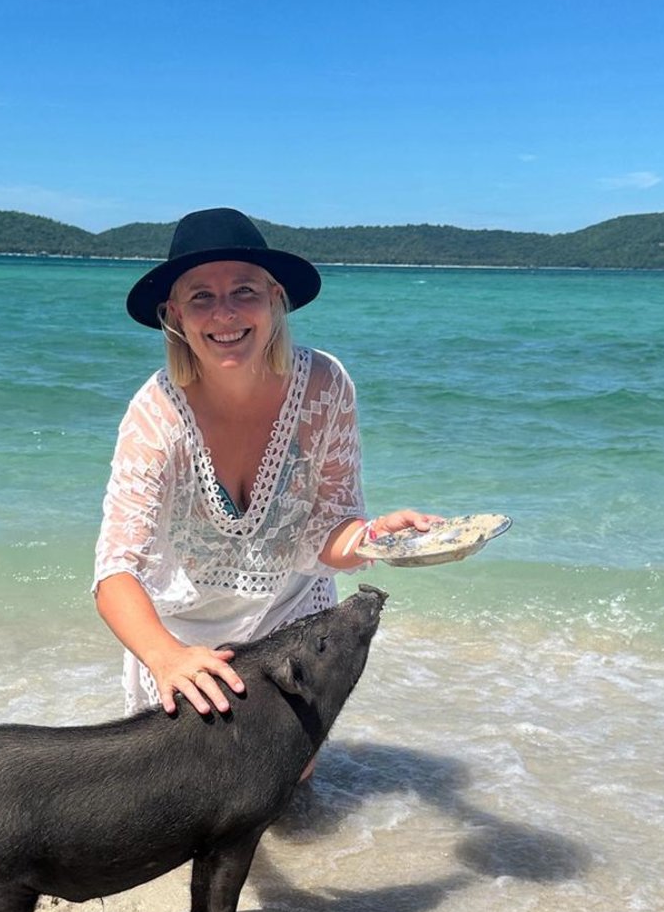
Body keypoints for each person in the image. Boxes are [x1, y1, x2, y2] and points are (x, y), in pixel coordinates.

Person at [93, 207, 441, 723]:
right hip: (184, 639)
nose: (225, 313)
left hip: (294, 620)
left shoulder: (325, 386)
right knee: (193, 794)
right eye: (202, 297)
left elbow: (328, 531)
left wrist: (373, 537)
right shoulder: (155, 415)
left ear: (277, 300)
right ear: (175, 315)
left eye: (245, 292)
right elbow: (116, 570)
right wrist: (166, 657)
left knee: (290, 786)